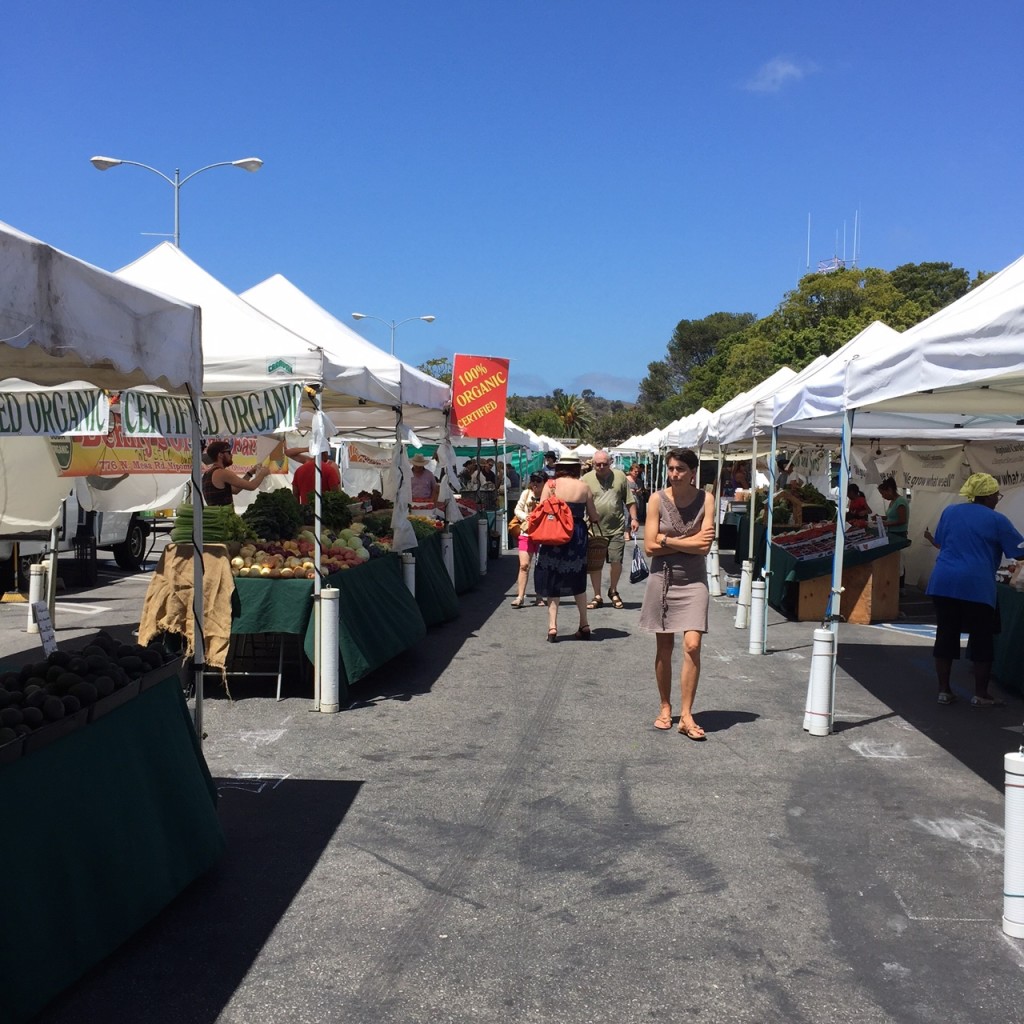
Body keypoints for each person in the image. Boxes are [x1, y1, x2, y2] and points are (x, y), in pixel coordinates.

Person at [923, 473, 1023, 707]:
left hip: (944, 581)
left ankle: (944, 691)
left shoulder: (950, 512)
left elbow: (941, 540)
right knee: (982, 639)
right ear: (987, 496)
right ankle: (981, 693)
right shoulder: (997, 520)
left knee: (946, 635)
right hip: (976, 585)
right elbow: (1019, 552)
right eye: (996, 495)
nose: (997, 499)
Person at [638, 448, 716, 739]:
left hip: (694, 580)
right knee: (665, 648)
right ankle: (665, 706)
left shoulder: (706, 499)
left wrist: (665, 538)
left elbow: (705, 547)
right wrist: (689, 541)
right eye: (671, 468)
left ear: (693, 472)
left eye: (680, 469)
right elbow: (649, 547)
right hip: (663, 578)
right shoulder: (656, 500)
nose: (674, 474)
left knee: (693, 645)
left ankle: (686, 715)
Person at [533, 453, 599, 642]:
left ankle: (553, 627)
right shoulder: (584, 487)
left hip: (553, 534)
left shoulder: (550, 485)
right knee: (577, 577)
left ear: (559, 467)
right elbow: (593, 516)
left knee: (552, 577)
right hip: (576, 535)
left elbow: (541, 509)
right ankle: (584, 624)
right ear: (577, 468)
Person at [582, 450, 638, 610]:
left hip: (616, 528)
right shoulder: (586, 479)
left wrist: (633, 518)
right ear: (593, 464)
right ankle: (597, 595)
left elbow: (629, 500)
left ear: (610, 463)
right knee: (595, 564)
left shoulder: (620, 476)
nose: (601, 467)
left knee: (616, 561)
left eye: (604, 464)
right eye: (597, 464)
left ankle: (613, 590)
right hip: (594, 529)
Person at [510, 471, 548, 608]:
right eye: (533, 481)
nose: (535, 484)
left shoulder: (548, 496)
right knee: (524, 565)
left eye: (538, 481)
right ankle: (520, 597)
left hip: (543, 535)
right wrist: (526, 517)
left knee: (541, 566)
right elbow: (517, 509)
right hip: (526, 533)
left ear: (545, 483)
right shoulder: (526, 494)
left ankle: (539, 595)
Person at [202, 440, 269, 506]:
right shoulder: (222, 473)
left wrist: (250, 473)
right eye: (229, 452)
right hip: (223, 515)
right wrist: (262, 474)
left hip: (217, 515)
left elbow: (236, 490)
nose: (232, 455)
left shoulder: (207, 473)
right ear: (220, 455)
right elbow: (252, 486)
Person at [877, 476, 910, 586]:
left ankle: (900, 586)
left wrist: (886, 523)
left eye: (883, 494)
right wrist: (881, 518)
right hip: (891, 533)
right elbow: (892, 517)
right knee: (893, 560)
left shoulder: (901, 501)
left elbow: (902, 520)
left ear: (889, 490)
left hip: (899, 534)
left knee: (899, 562)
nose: (883, 496)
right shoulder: (893, 502)